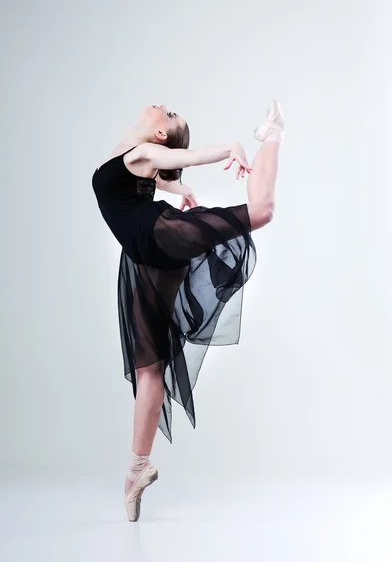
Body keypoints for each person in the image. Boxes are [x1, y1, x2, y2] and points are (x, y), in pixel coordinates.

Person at [92, 100, 284, 521]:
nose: (163, 108)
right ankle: (136, 469)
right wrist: (179, 189)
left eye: (170, 114)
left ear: (160, 134)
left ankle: (273, 135)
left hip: (158, 238)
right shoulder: (131, 157)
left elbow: (178, 158)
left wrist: (230, 146)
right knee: (149, 369)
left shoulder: (144, 153)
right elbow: (151, 179)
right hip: (144, 255)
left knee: (261, 211)